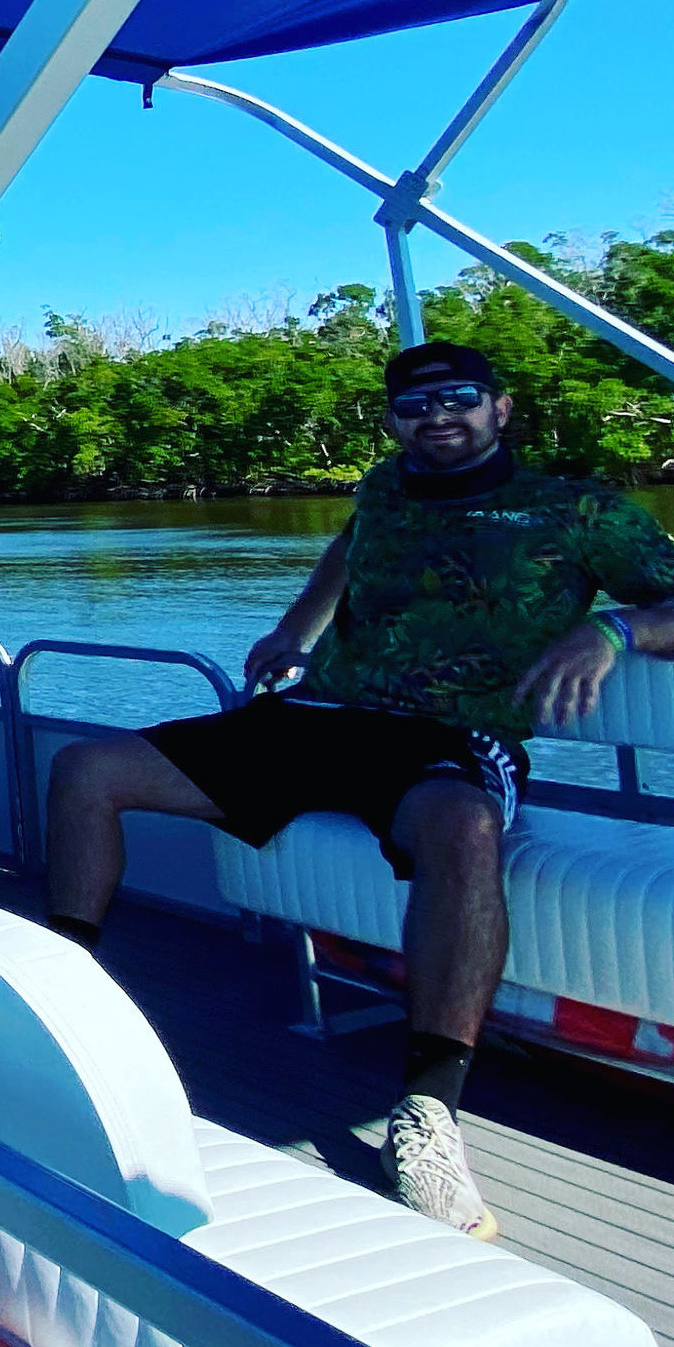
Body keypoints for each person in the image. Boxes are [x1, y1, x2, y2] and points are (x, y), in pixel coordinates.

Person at [43, 341, 674, 1239]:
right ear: (393, 421)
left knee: (462, 824)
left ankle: (428, 1109)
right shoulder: (384, 487)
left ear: (501, 409)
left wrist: (615, 631)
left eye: (460, 398)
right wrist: (296, 624)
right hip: (320, 716)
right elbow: (349, 545)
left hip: (452, 735)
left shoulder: (577, 510)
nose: (437, 416)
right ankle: (66, 995)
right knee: (86, 770)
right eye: (415, 405)